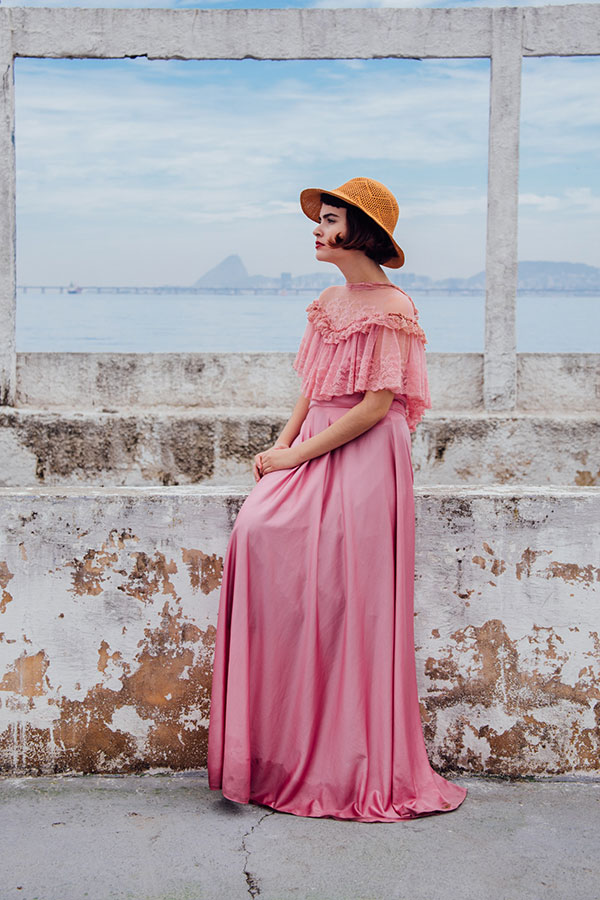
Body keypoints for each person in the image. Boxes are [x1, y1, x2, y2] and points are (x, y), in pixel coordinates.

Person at [207, 177, 467, 821]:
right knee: (258, 530)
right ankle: (281, 751)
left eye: (329, 220)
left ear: (360, 229)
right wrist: (282, 443)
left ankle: (349, 764)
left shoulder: (393, 305)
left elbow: (379, 406)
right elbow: (312, 386)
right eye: (318, 220)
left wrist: (296, 455)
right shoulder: (329, 299)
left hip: (365, 456)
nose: (317, 229)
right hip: (317, 440)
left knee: (353, 605)